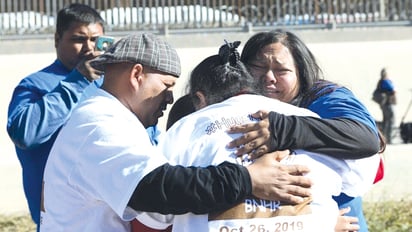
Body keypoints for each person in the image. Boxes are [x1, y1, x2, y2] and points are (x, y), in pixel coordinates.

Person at [40, 32, 313, 231]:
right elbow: (158, 189)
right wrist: (248, 179)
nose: (170, 100)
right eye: (166, 85)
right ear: (137, 75)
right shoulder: (99, 125)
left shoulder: (109, 119)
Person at [136, 41, 361, 232]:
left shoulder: (185, 130)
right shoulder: (303, 119)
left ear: (200, 99)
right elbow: (355, 181)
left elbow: (153, 214)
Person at [226, 30, 385, 232]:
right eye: (258, 67)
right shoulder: (234, 102)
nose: (269, 77)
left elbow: (365, 138)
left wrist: (283, 128)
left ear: (301, 72)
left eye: (281, 70)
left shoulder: (324, 97)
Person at [6, 3, 105, 229]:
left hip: (110, 218)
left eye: (96, 40)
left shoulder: (110, 84)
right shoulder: (35, 84)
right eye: (79, 39)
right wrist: (76, 81)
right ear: (57, 39)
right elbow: (25, 134)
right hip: (62, 221)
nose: (88, 48)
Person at [376, 67, 396, 144]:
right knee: (390, 121)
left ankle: (383, 138)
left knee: (386, 121)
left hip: (383, 104)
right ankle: (389, 139)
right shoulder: (385, 81)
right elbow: (392, 89)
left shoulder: (380, 82)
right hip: (388, 104)